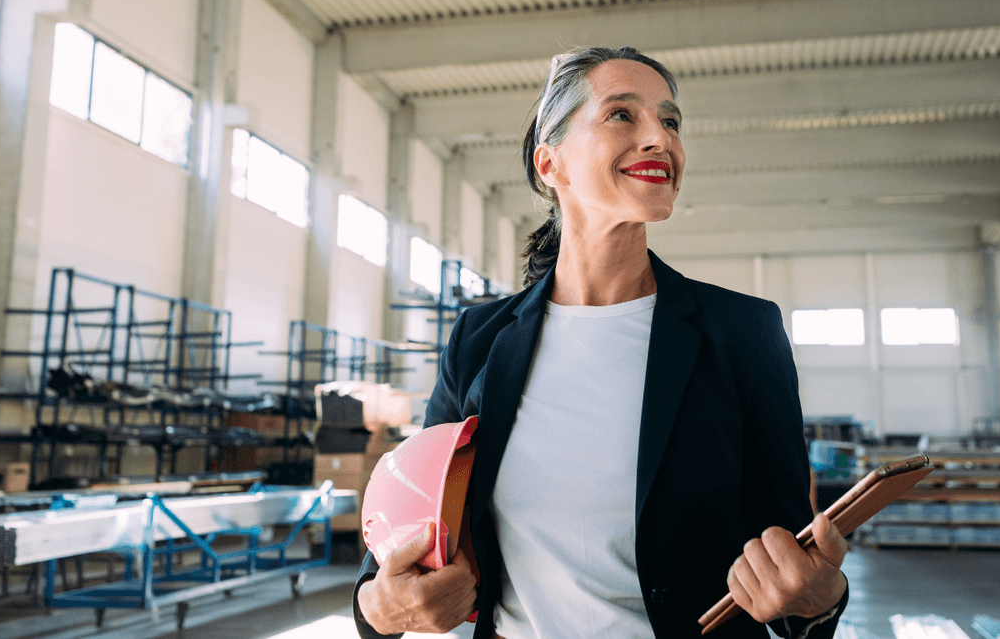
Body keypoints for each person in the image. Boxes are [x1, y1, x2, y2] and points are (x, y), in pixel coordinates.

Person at [353, 46, 848, 639]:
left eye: (670, 121)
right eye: (622, 115)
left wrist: (820, 599)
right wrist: (378, 609)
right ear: (550, 162)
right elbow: (407, 527)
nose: (659, 139)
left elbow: (792, 554)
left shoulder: (742, 333)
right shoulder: (479, 342)